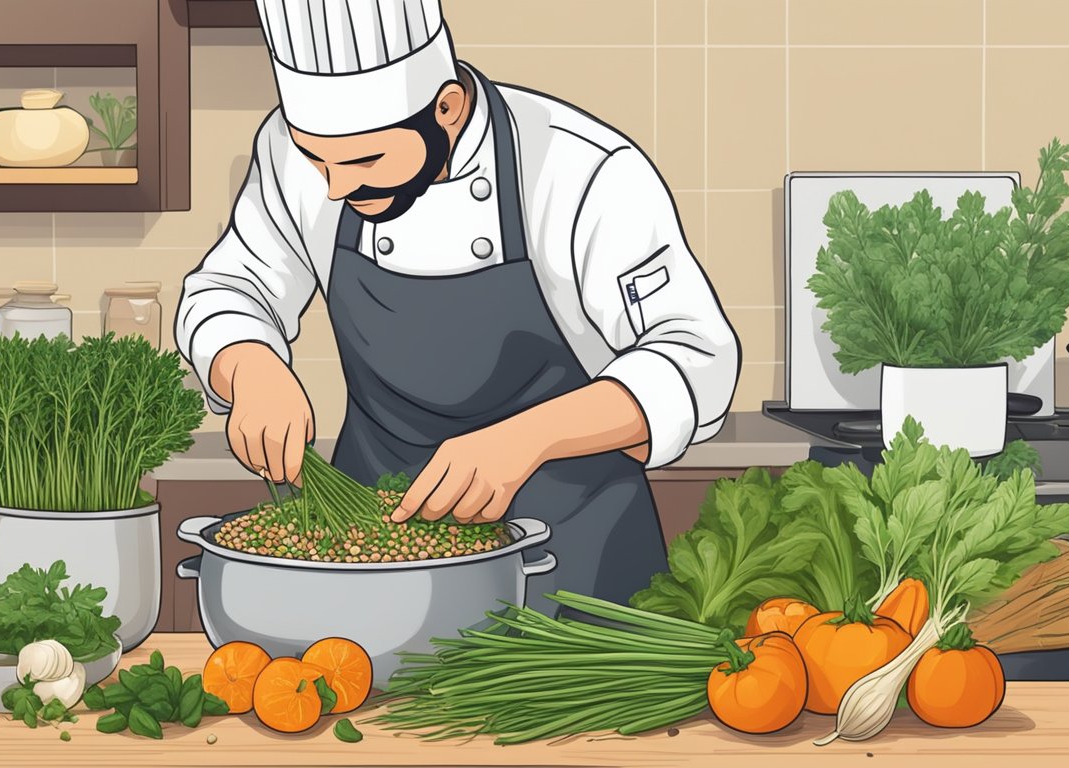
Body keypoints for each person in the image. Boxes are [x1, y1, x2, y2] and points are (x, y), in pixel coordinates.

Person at [176, 0, 740, 611]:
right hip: (378, 554)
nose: (336, 186)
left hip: (572, 560)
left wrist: (525, 439)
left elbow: (695, 360)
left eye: (367, 160)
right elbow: (231, 287)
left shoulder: (581, 171)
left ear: (446, 108)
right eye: (317, 159)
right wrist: (251, 367)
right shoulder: (295, 157)